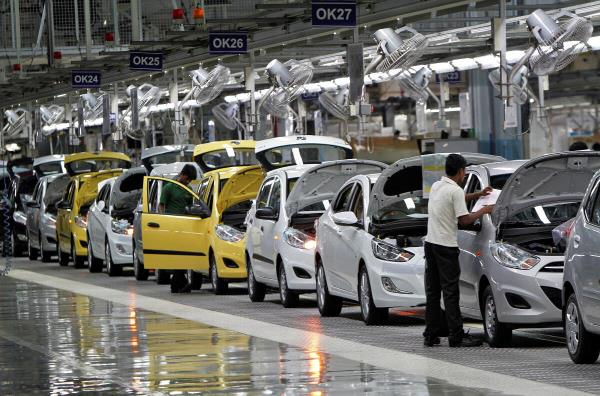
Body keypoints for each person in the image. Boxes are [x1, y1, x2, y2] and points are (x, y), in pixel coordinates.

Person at [423, 154, 494, 348]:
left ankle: (430, 335)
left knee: (433, 292)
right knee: (451, 292)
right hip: (446, 247)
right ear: (461, 171)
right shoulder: (454, 191)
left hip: (430, 245)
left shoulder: (438, 186)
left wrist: (478, 195)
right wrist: (484, 210)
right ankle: (456, 336)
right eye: (464, 172)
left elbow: (457, 198)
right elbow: (464, 220)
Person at [158, 164, 197, 293]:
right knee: (176, 255)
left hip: (184, 227)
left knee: (183, 255)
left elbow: (191, 208)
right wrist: (162, 222)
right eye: (188, 179)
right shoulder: (169, 187)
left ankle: (178, 282)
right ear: (183, 175)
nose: (188, 182)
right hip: (171, 227)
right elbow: (161, 205)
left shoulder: (188, 190)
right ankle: (179, 282)